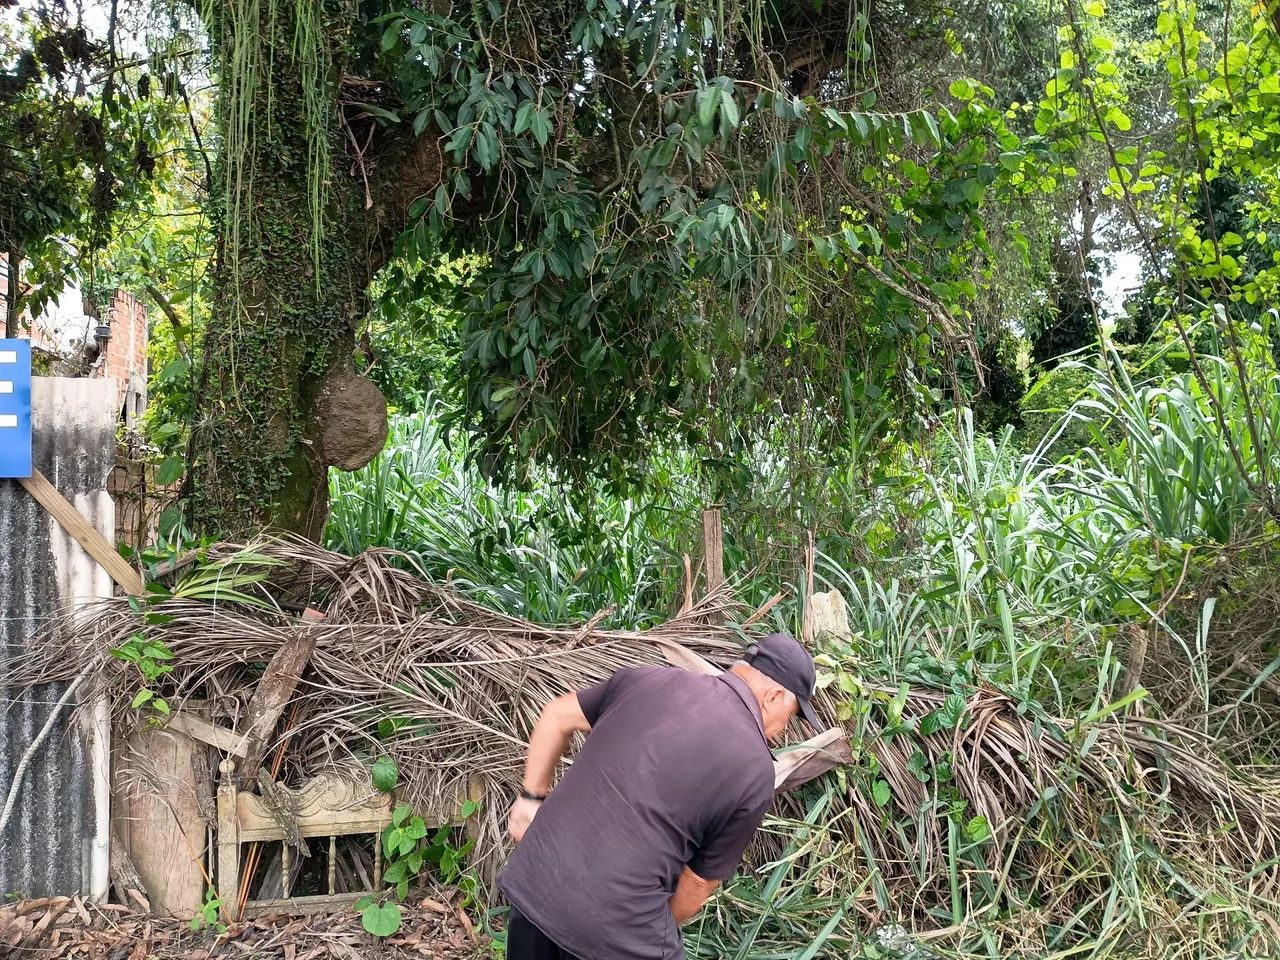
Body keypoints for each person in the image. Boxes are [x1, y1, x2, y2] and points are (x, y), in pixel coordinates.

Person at [498, 632, 822, 960]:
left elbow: (556, 716)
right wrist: (643, 930)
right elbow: (698, 885)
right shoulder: (755, 770)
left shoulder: (648, 679)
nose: (783, 729)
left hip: (534, 882)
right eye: (791, 714)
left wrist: (530, 799)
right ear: (773, 696)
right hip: (615, 927)